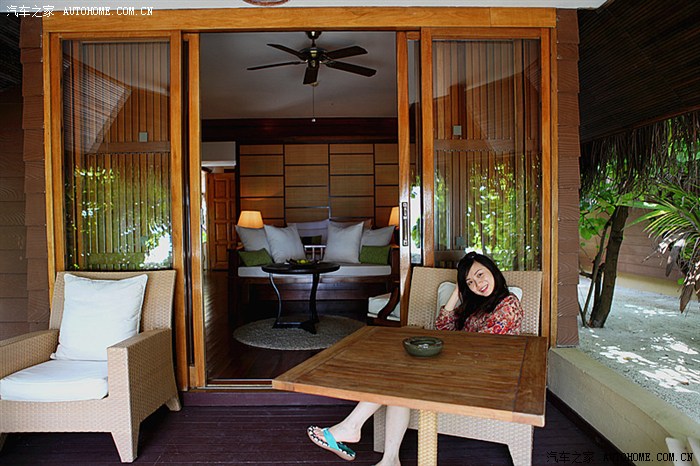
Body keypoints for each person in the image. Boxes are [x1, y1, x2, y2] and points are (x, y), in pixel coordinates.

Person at [306, 251, 524, 465]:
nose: (478, 284)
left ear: (492, 270)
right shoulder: (477, 305)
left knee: (401, 375)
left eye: (480, 274)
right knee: (401, 379)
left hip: (485, 379)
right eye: (470, 282)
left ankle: (352, 428)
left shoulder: (508, 304)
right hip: (462, 368)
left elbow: (481, 345)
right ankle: (389, 459)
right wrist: (456, 293)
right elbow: (442, 329)